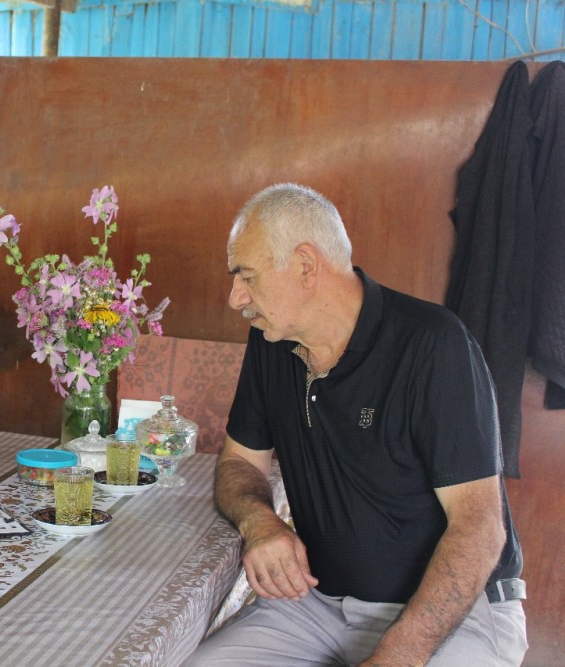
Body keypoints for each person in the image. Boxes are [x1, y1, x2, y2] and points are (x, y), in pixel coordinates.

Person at [189, 184, 527, 666]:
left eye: (247, 276)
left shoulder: (433, 345)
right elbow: (240, 462)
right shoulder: (270, 342)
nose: (235, 297)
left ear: (306, 266)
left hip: (452, 611)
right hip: (318, 604)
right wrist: (259, 522)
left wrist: (396, 657)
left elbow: (480, 529)